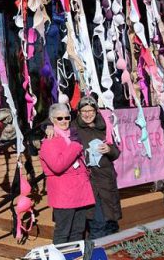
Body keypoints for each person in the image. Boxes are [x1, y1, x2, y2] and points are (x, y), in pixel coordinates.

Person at [45, 96, 122, 239]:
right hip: (89, 182)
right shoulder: (73, 128)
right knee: (97, 222)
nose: (88, 114)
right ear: (79, 112)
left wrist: (109, 150)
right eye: (84, 111)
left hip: (107, 180)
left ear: (96, 111)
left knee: (110, 222)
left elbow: (116, 151)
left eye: (91, 110)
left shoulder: (105, 126)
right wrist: (49, 125)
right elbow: (57, 119)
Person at [39, 102, 95, 244]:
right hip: (64, 194)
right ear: (52, 120)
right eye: (59, 118)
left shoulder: (74, 134)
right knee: (63, 233)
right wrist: (75, 147)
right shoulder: (49, 142)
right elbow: (58, 166)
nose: (64, 121)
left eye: (67, 117)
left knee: (78, 231)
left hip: (80, 192)